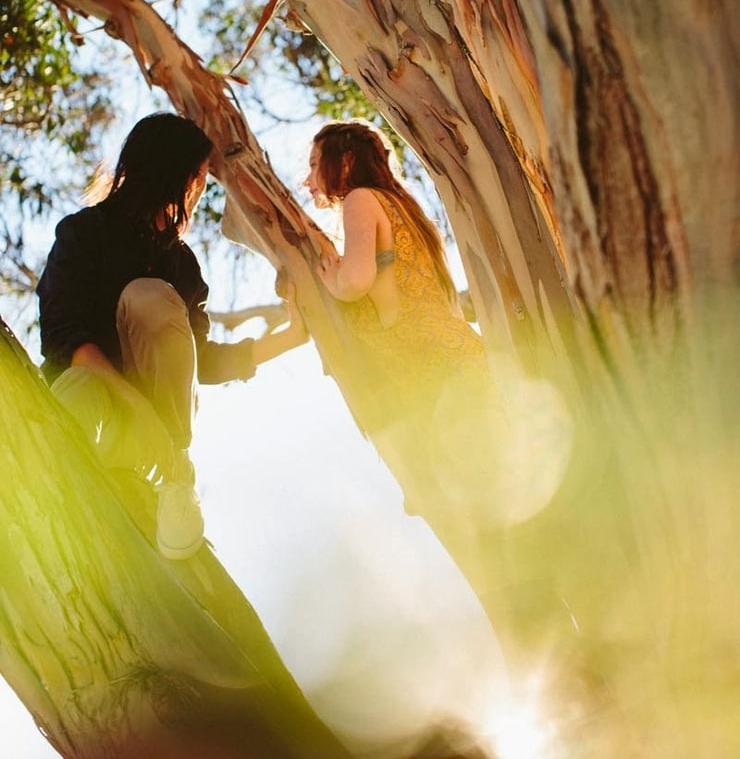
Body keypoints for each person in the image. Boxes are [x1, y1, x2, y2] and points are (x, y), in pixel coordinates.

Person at [37, 112, 308, 561]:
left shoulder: (182, 266)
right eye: (200, 176)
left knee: (152, 297)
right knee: (93, 370)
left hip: (156, 440)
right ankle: (53, 500)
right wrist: (134, 404)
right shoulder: (82, 232)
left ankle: (175, 484)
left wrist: (294, 335)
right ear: (175, 175)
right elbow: (66, 338)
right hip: (89, 411)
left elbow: (201, 361)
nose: (202, 189)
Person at [305, 119, 496, 523]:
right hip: (461, 358)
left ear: (346, 161)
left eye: (314, 163)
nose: (308, 180)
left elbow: (356, 280)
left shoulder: (360, 199)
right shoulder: (402, 206)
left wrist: (332, 280)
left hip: (437, 373)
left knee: (474, 509)